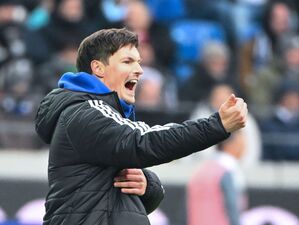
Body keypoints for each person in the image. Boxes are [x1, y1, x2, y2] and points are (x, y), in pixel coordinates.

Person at [35, 28, 248, 225]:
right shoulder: (85, 112)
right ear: (98, 68)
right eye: (127, 61)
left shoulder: (103, 115)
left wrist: (149, 186)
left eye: (138, 62)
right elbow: (144, 142)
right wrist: (217, 125)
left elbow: (120, 202)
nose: (139, 70)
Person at [187, 130, 248, 225]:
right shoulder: (228, 170)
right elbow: (232, 208)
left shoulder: (200, 171)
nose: (245, 145)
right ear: (230, 143)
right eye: (242, 140)